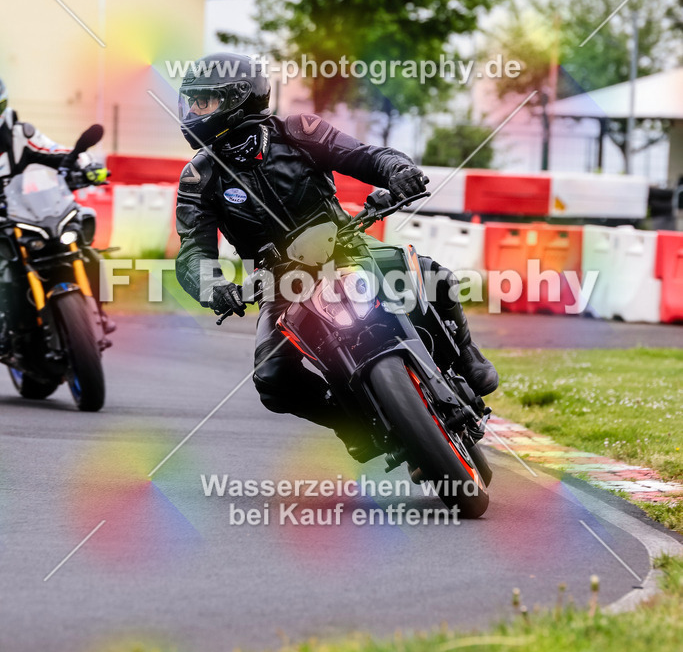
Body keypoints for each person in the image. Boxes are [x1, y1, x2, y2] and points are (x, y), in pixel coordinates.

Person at [175, 53, 498, 453]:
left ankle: (466, 357)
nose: (193, 111)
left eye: (203, 101)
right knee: (272, 378)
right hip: (281, 281)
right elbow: (192, 251)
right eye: (191, 101)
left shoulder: (298, 130)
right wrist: (214, 285)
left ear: (238, 98)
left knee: (432, 276)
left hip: (347, 245)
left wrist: (397, 169)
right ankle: (354, 426)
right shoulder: (198, 177)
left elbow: (364, 156)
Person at [0, 78, 109, 354]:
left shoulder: (20, 134)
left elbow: (57, 152)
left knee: (84, 243)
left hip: (25, 212)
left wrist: (87, 166)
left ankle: (99, 314)